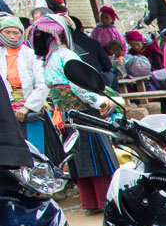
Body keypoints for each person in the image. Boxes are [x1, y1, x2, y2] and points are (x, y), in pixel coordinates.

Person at [27, 14, 119, 214]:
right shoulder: (66, 55)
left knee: (78, 155)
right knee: (97, 153)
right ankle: (105, 201)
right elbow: (79, 87)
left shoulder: (47, 60)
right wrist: (100, 101)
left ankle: (89, 203)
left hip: (66, 115)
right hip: (84, 112)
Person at [0, 13, 58, 163]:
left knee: (35, 149)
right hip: (6, 107)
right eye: (7, 32)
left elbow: (42, 83)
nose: (12, 36)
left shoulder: (32, 55)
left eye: (16, 32)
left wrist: (27, 107)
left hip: (30, 106)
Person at [68, 16, 117, 90]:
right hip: (96, 83)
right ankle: (116, 98)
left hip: (73, 85)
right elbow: (107, 66)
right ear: (82, 29)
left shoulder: (60, 45)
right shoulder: (92, 42)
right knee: (112, 73)